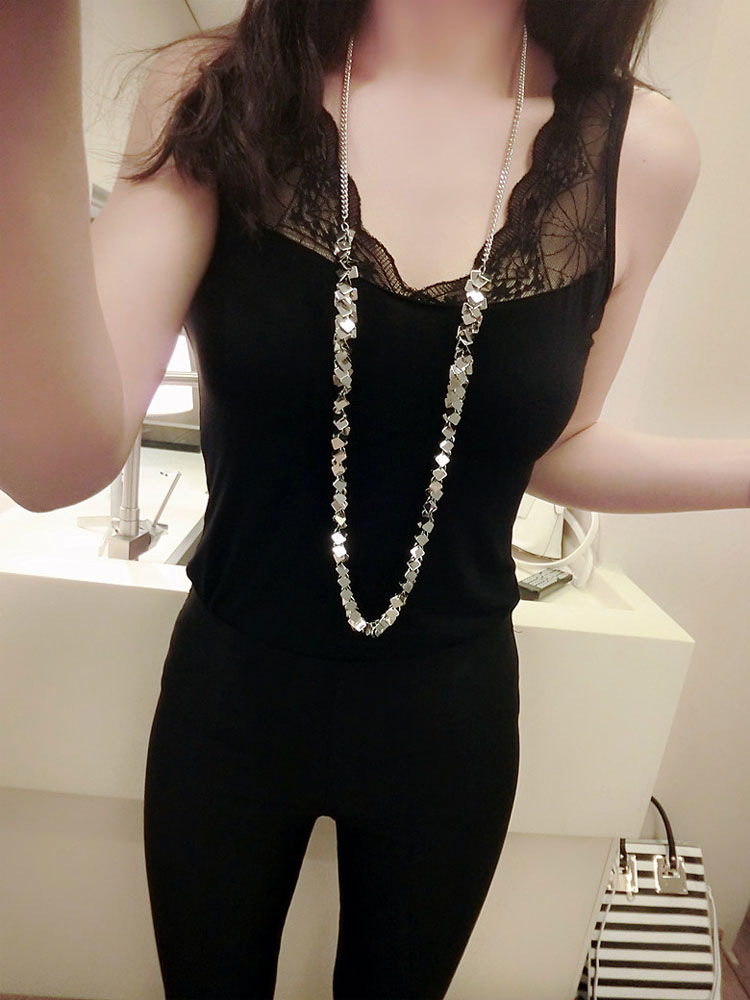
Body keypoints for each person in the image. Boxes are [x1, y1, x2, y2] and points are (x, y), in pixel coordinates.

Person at [2, 1, 748, 997]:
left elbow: (560, 446)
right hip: (231, 701)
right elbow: (53, 460)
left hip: (450, 721)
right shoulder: (222, 90)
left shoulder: (641, 153)